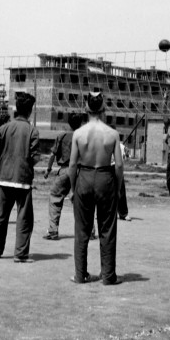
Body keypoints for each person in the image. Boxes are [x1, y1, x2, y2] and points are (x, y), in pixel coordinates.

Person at [69, 91, 123, 285]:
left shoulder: (78, 134)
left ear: (86, 108)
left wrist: (73, 189)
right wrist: (117, 188)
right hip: (105, 178)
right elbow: (118, 165)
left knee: (81, 230)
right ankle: (108, 276)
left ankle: (80, 274)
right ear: (103, 108)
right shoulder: (113, 134)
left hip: (83, 176)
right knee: (107, 229)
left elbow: (72, 165)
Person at [0, 92, 41, 263]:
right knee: (24, 218)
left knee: (0, 215)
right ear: (30, 111)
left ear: (16, 109)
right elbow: (36, 157)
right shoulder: (32, 130)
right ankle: (20, 254)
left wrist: (3, 161)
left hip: (3, 178)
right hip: (23, 180)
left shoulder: (4, 128)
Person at [43, 112, 82, 240]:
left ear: (68, 123)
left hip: (65, 170)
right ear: (81, 123)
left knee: (55, 196)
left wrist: (48, 169)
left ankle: (53, 231)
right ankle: (89, 231)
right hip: (81, 171)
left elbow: (53, 155)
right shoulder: (83, 136)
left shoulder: (62, 136)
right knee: (82, 200)